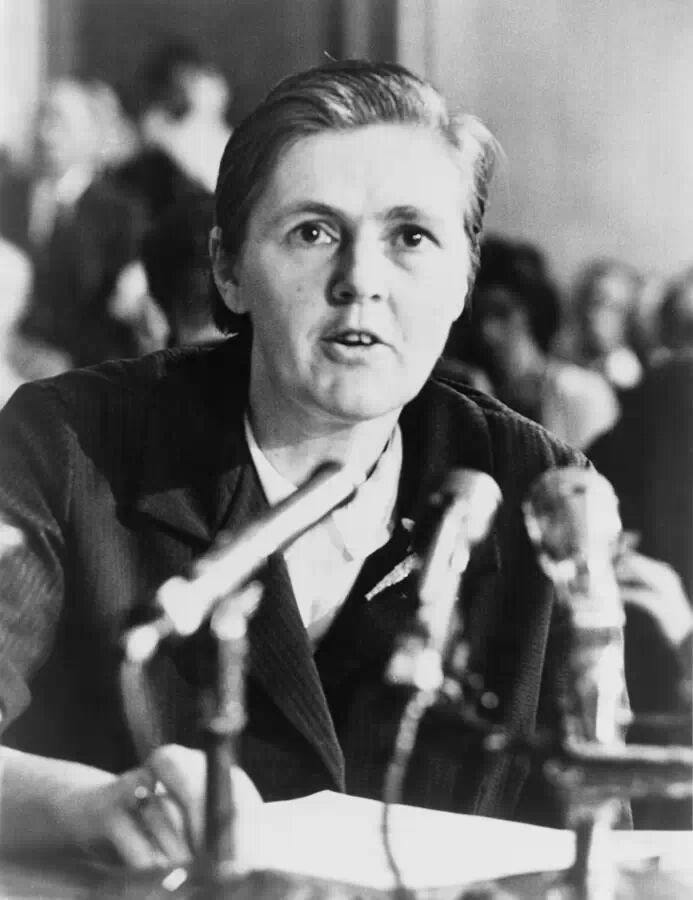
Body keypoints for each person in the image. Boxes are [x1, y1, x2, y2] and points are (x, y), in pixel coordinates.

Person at [0, 60, 616, 870]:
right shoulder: (70, 439)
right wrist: (85, 804)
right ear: (228, 269)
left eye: (410, 237)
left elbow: (601, 833)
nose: (359, 282)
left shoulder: (539, 488)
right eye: (312, 233)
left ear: (463, 279)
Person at [0, 76, 146, 368]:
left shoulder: (121, 214)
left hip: (85, 371)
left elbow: (121, 312)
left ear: (91, 134)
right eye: (41, 118)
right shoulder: (6, 197)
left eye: (60, 122)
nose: (46, 134)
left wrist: (70, 362)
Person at [466, 236, 618, 449]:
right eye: (478, 316)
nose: (487, 331)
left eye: (502, 313)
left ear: (533, 313)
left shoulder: (581, 393)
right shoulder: (468, 394)